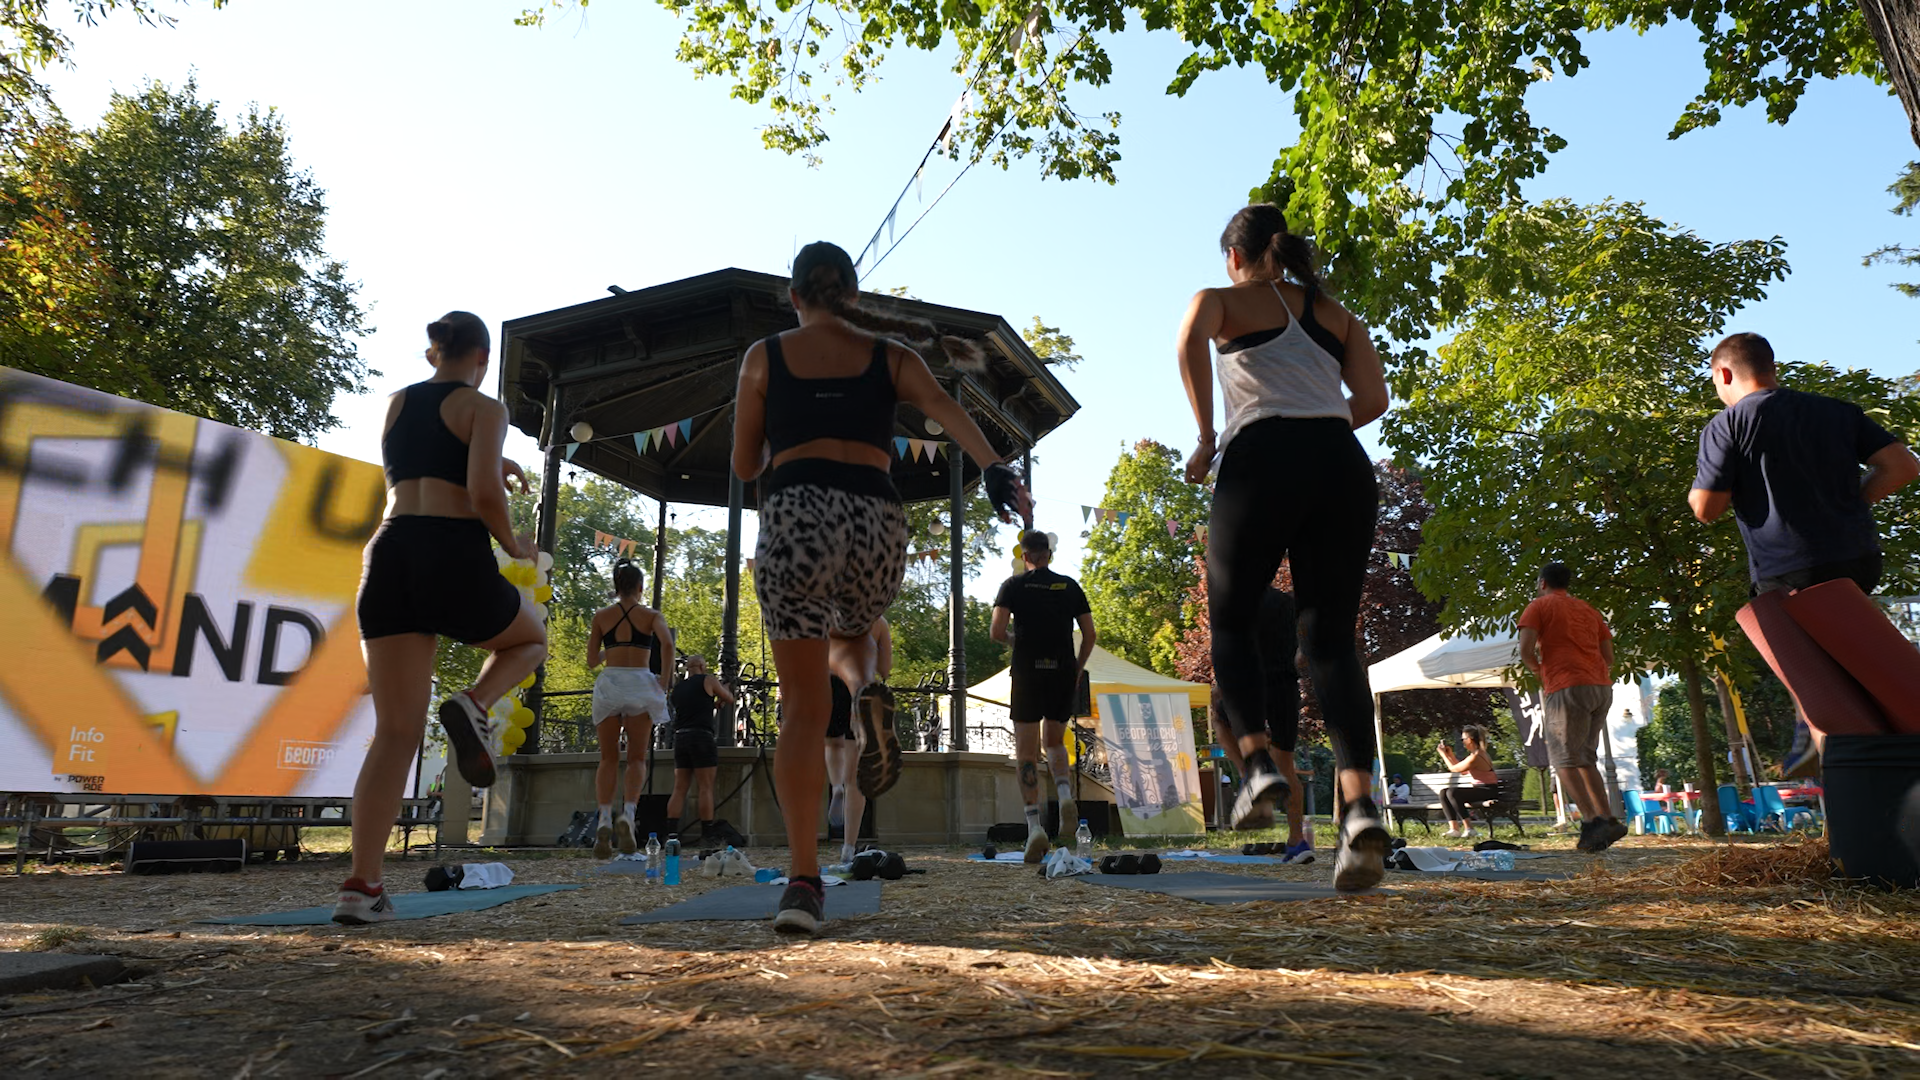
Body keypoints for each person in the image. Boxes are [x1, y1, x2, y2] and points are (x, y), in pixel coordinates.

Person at [732, 241, 1030, 935]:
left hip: (798, 513)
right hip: (874, 520)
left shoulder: (763, 357)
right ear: (853, 295)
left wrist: (776, 439)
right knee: (857, 630)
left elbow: (747, 463)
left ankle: (804, 883)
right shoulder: (892, 356)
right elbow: (949, 415)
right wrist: (994, 469)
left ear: (796, 297)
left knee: (804, 711)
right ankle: (866, 686)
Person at [1177, 203, 1391, 892]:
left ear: (1236, 256)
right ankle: (1359, 807)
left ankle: (1258, 765)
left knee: (1233, 620)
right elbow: (1375, 397)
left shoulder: (1220, 299)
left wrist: (1209, 436)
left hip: (1261, 456)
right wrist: (1321, 422)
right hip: (1341, 462)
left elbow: (1187, 343)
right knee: (1331, 642)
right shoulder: (1339, 316)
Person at [335, 312, 549, 924]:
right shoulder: (486, 408)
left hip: (390, 551)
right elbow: (482, 496)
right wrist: (516, 546)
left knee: (395, 734)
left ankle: (361, 885)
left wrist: (491, 466)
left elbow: (426, 467)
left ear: (434, 354)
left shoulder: (398, 402)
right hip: (448, 550)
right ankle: (475, 705)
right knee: (529, 638)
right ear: (482, 358)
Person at [1689, 332, 1919, 762]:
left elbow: (1706, 507)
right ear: (1772, 367)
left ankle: (1836, 772)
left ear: (1723, 374)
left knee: (1822, 693)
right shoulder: (1835, 410)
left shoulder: (1728, 424)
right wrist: (1848, 505)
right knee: (1858, 663)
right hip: (1859, 559)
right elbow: (1903, 467)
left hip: (1790, 569)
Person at [990, 531, 1097, 862]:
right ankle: (1064, 794)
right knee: (1053, 742)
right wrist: (1076, 669)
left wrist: (1016, 641)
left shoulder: (1013, 586)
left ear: (1025, 556)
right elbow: (1090, 634)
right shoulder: (1069, 586)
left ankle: (1034, 826)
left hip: (1026, 671)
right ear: (1049, 554)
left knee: (1025, 752)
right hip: (1062, 671)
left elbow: (996, 632)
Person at [1518, 562, 1627, 853]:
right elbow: (1609, 657)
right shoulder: (1590, 611)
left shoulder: (1538, 607)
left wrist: (1542, 673)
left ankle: (1592, 822)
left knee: (1563, 759)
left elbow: (1526, 650)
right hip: (1600, 687)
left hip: (1567, 685)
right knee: (1585, 757)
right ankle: (1607, 817)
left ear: (1542, 583)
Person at [1205, 588, 1314, 862]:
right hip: (1285, 689)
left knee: (1218, 718)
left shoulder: (1236, 596)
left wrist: (1220, 685)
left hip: (1248, 685)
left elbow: (1228, 649)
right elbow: (1303, 653)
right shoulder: (1289, 602)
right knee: (1286, 767)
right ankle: (1297, 841)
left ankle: (1250, 777)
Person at [584, 559, 674, 859]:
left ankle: (605, 818)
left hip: (610, 683)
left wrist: (609, 651)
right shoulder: (651, 615)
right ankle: (629, 813)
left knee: (608, 757)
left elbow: (591, 661)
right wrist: (665, 679)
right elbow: (668, 645)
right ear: (640, 586)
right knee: (637, 757)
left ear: (615, 586)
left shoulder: (601, 616)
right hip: (639, 684)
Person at [825, 617, 892, 868]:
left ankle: (835, 785)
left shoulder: (828, 614)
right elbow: (885, 668)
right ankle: (848, 848)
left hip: (829, 683)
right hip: (862, 686)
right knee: (857, 778)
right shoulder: (878, 622)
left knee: (832, 743)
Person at [1434, 725, 1501, 839]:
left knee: (1453, 792)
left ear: (1469, 740)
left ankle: (1469, 829)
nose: (1463, 742)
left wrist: (1443, 755)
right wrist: (1450, 755)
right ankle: (1454, 829)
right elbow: (1462, 770)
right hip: (1481, 789)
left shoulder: (1477, 756)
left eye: (1463, 739)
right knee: (1444, 792)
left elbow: (1454, 769)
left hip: (1488, 790)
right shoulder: (1474, 754)